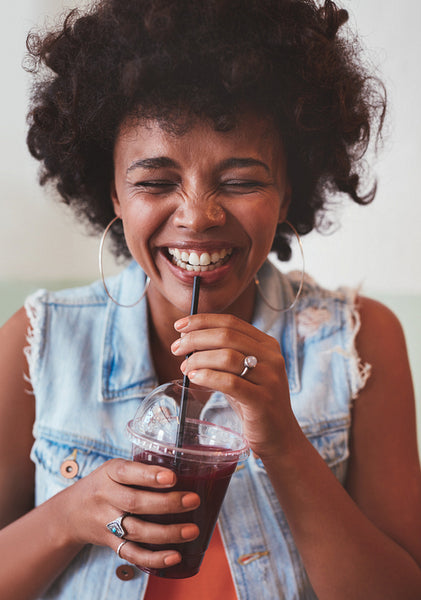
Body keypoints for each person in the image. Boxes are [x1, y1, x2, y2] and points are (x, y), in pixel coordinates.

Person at [0, 0, 420, 598]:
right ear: (112, 193)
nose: (198, 216)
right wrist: (68, 518)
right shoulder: (35, 343)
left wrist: (281, 440)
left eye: (242, 180)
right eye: (154, 181)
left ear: (287, 190)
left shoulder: (359, 342)